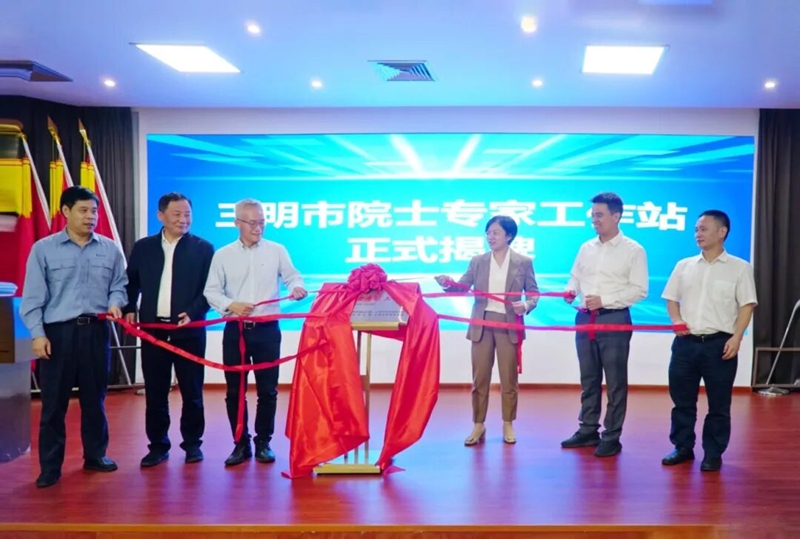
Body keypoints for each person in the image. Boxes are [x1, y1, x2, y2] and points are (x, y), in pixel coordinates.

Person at [19, 186, 127, 488]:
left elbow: (119, 285)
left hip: (96, 332)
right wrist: (37, 335)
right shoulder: (44, 249)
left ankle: (95, 455)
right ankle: (50, 467)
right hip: (58, 334)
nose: (90, 216)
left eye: (94, 211)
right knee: (54, 405)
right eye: (83, 210)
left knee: (95, 400)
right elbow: (32, 298)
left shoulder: (109, 249)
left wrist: (116, 302)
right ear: (66, 211)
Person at [204, 198, 307, 466]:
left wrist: (296, 287)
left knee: (267, 390)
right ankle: (240, 443)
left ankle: (264, 443)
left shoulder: (277, 250)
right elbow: (211, 291)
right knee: (235, 391)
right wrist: (232, 305)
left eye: (262, 222)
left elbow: (292, 276)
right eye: (251, 222)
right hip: (235, 331)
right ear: (237, 223)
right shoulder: (223, 255)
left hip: (267, 330)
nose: (258, 228)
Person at [123, 192, 215, 467]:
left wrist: (194, 311)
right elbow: (131, 283)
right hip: (153, 333)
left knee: (192, 393)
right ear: (160, 216)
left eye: (187, 214)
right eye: (177, 214)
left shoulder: (204, 249)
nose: (183, 219)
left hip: (190, 332)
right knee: (155, 393)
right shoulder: (144, 248)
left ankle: (192, 445)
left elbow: (211, 290)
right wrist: (129, 307)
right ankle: (158, 446)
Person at [660, 210, 756, 472]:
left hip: (720, 345)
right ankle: (682, 447)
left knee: (719, 404)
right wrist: (676, 320)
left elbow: (747, 305)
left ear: (722, 232)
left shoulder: (740, 267)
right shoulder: (684, 265)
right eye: (696, 230)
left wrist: (737, 337)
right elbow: (671, 298)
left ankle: (713, 453)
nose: (697, 234)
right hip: (685, 344)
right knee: (682, 401)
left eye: (703, 229)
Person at [435, 215, 539, 446]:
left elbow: (533, 293)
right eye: (488, 233)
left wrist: (526, 305)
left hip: (508, 325)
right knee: (480, 378)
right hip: (481, 325)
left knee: (508, 379)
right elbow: (461, 288)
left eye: (496, 233)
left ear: (509, 236)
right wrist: (447, 283)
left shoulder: (523, 262)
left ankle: (508, 423)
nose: (490, 237)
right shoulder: (478, 261)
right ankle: (478, 424)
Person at [561, 192, 648, 457]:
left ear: (616, 216)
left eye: (599, 215)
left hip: (614, 318)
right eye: (592, 215)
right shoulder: (586, 247)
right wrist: (571, 290)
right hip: (585, 317)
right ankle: (588, 429)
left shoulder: (633, 250)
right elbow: (576, 276)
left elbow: (639, 290)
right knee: (588, 377)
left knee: (615, 380)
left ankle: (612, 435)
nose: (594, 220)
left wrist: (604, 300)